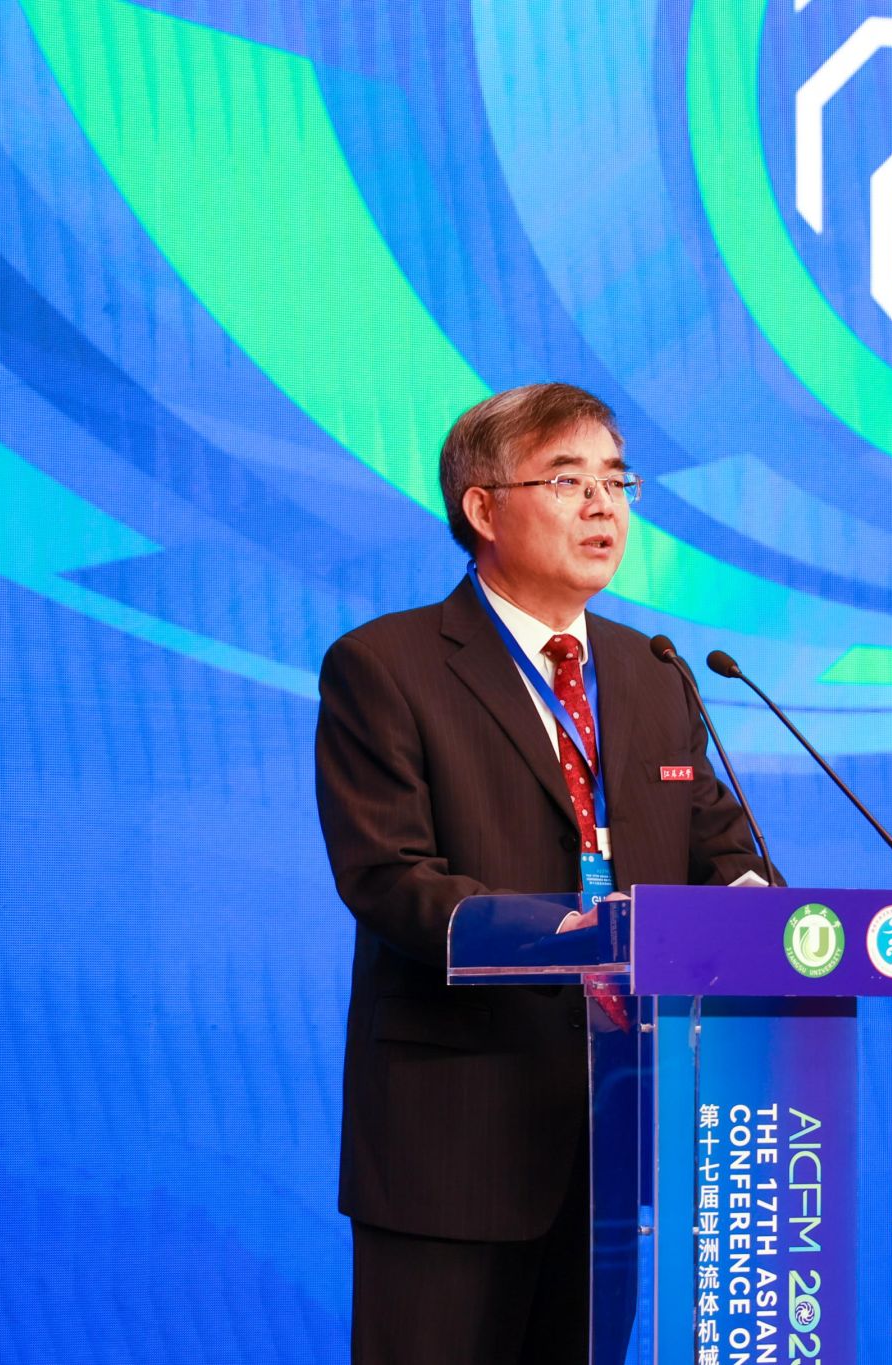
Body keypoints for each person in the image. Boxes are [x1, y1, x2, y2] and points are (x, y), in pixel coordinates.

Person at [314, 382, 769, 1363]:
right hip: (455, 1139)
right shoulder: (386, 665)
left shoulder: (654, 673)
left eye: (616, 481)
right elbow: (389, 877)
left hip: (617, 1127)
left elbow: (722, 852)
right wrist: (574, 933)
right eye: (567, 480)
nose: (603, 506)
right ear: (482, 509)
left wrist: (759, 912)